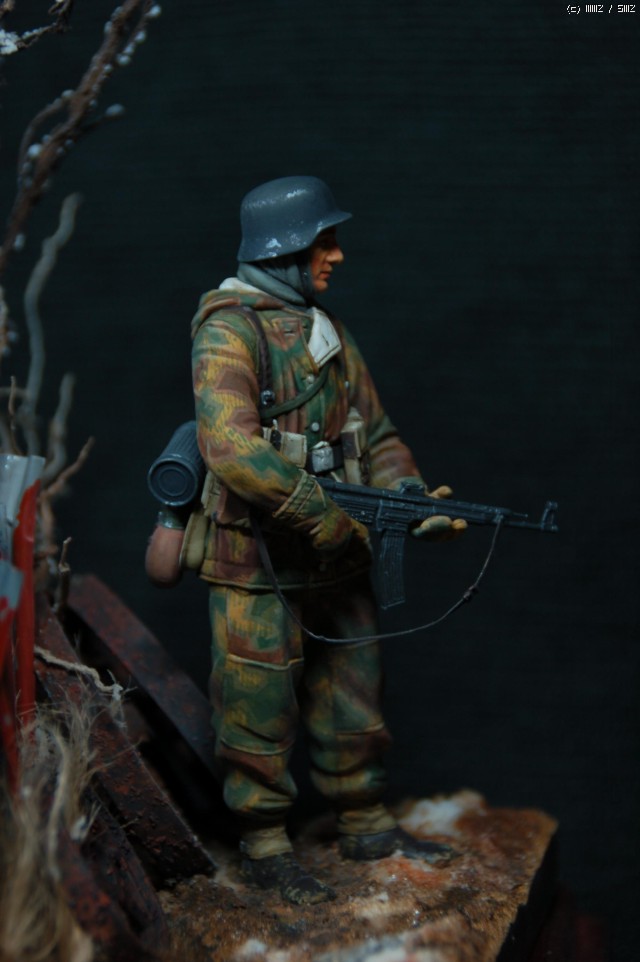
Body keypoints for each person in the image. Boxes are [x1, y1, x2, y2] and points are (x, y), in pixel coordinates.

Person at [191, 176, 466, 905]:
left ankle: (365, 819)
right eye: (323, 242)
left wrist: (405, 499)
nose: (335, 256)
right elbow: (229, 447)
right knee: (255, 704)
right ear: (282, 249)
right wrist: (318, 513)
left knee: (354, 696)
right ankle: (264, 844)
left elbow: (377, 435)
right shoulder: (229, 330)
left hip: (339, 560)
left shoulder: (328, 333)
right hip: (256, 562)